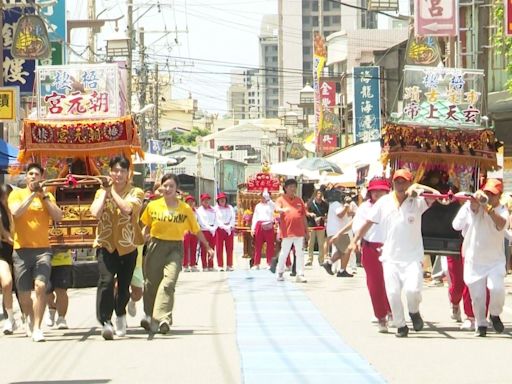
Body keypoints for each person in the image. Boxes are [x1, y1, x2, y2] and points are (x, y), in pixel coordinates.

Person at [347, 169, 439, 337]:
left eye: (404, 181)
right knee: (393, 292)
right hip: (390, 257)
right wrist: (355, 241)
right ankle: (400, 325)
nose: (400, 184)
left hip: (412, 257)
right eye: (397, 181)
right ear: (393, 183)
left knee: (412, 291)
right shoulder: (384, 202)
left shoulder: (417, 202)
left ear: (410, 183)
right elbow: (368, 223)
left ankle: (414, 311)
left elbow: (437, 195)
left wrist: (418, 186)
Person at [140, 174, 214, 334]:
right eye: (165, 186)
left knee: (169, 282)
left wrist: (207, 246)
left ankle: (163, 318)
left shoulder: (185, 209)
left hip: (174, 248)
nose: (167, 189)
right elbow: (146, 226)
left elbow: (196, 230)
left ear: (176, 189)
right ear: (160, 188)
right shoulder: (152, 206)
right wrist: (143, 236)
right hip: (155, 246)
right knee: (151, 284)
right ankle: (149, 315)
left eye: (171, 186)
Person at [90, 156, 144, 340]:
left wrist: (111, 192)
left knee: (123, 287)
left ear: (128, 173)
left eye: (122, 171)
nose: (118, 174)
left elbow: (128, 209)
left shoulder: (136, 192)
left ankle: (120, 313)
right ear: (109, 172)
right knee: (105, 281)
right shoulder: (100, 192)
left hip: (127, 247)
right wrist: (105, 192)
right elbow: (95, 213)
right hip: (105, 245)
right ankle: (105, 320)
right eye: (115, 170)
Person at [8, 163, 63, 342]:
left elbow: (58, 216)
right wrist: (32, 195)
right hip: (21, 250)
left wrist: (44, 197)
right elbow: (16, 212)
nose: (33, 176)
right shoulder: (17, 194)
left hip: (42, 250)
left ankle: (38, 327)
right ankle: (30, 318)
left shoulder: (46, 196)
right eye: (30, 173)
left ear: (41, 177)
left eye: (36, 174)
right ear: (26, 176)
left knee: (40, 286)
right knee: (24, 295)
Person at [452, 179, 508, 337]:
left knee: (496, 289)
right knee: (477, 297)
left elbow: (501, 224)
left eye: (493, 194)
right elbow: (473, 208)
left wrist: (488, 207)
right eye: (487, 192)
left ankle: (495, 314)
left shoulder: (503, 210)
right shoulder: (476, 206)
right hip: (475, 260)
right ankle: (480, 324)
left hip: (495, 261)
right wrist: (477, 200)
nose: (489, 196)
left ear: (499, 196)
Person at [344, 177, 391, 333]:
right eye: (375, 191)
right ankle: (381, 316)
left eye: (382, 190)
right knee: (375, 284)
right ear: (370, 193)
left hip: (391, 248)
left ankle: (391, 310)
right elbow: (358, 227)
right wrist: (356, 241)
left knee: (391, 283)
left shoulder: (394, 206)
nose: (378, 193)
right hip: (371, 248)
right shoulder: (365, 207)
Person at [274, 179, 309, 283]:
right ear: (285, 188)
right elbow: (276, 208)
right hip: (287, 232)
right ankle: (280, 272)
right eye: (290, 187)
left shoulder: (299, 200)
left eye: (294, 187)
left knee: (300, 253)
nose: (293, 189)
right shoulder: (281, 199)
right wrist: (282, 210)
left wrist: (307, 231)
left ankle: (300, 274)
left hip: (299, 232)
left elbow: (303, 216)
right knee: (284, 252)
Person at [322, 190, 357, 277]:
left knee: (342, 251)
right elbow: (340, 214)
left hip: (339, 230)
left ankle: (329, 263)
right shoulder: (335, 204)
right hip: (337, 231)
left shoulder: (339, 205)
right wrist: (345, 206)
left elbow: (348, 214)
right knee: (347, 249)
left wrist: (349, 207)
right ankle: (342, 270)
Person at [0, 184, 15, 334]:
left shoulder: (17, 209)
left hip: (19, 250)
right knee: (7, 283)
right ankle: (9, 318)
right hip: (2, 251)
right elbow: (5, 235)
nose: (6, 200)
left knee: (21, 287)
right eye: (4, 197)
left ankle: (26, 317)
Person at [45, 248, 72, 330]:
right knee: (46, 290)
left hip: (63, 261)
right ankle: (51, 308)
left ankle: (61, 318)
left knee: (61, 290)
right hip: (44, 260)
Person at [251, 189, 275, 269]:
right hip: (259, 225)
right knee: (258, 245)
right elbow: (255, 217)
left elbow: (275, 207)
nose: (263, 198)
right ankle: (256, 263)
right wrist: (253, 228)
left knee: (270, 245)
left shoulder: (271, 205)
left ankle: (269, 263)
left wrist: (268, 199)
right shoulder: (258, 206)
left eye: (265, 196)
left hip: (268, 224)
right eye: (262, 196)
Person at [305, 190, 328, 267]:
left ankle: (321, 260)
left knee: (321, 244)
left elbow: (327, 214)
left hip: (321, 226)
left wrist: (323, 217)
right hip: (311, 225)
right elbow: (306, 212)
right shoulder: (310, 203)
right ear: (315, 195)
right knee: (310, 243)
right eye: (318, 194)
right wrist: (310, 214)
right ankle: (309, 259)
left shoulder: (325, 204)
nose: (319, 195)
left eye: (321, 194)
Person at [214, 192, 236, 271]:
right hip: (220, 229)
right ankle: (220, 265)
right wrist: (224, 227)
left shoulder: (230, 207)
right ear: (218, 200)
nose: (222, 201)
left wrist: (230, 226)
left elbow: (233, 217)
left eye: (223, 199)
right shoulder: (215, 208)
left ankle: (229, 265)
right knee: (219, 248)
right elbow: (217, 219)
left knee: (230, 248)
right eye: (220, 199)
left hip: (229, 229)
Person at [196, 193, 217, 271]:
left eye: (207, 200)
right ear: (202, 201)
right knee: (204, 249)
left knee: (212, 248)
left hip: (213, 230)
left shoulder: (213, 209)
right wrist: (209, 228)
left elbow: (216, 219)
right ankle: (204, 266)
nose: (206, 201)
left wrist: (214, 228)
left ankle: (211, 265)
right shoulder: (199, 210)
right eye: (204, 200)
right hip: (204, 230)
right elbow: (201, 222)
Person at [183, 195, 200, 272]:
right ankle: (185, 265)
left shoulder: (196, 211)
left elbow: (198, 221)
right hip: (186, 231)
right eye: (188, 202)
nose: (190, 203)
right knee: (185, 249)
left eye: (192, 202)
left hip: (194, 232)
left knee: (194, 249)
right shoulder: (183, 211)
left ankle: (193, 265)